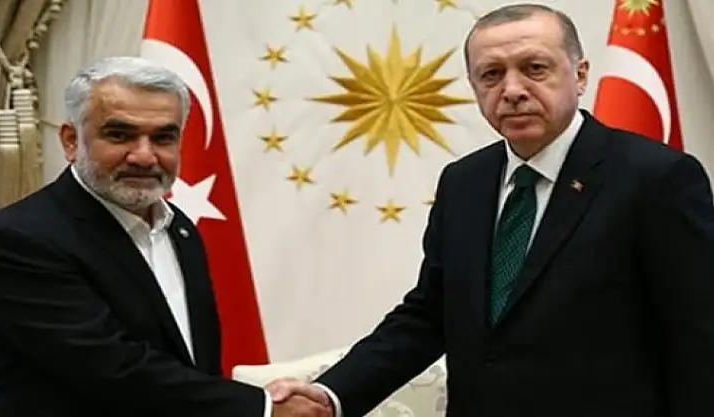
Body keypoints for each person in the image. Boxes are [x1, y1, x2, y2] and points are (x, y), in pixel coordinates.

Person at [267, 3, 714, 417]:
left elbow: (697, 339)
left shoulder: (656, 179)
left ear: (580, 76)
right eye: (492, 74)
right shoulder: (464, 182)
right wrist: (332, 394)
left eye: (534, 68)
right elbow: (429, 315)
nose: (512, 90)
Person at [0, 57, 329, 417]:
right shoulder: (17, 240)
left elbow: (191, 364)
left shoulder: (179, 228)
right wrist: (261, 408)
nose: (144, 156)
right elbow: (110, 371)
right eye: (119, 135)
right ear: (71, 141)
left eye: (163, 137)